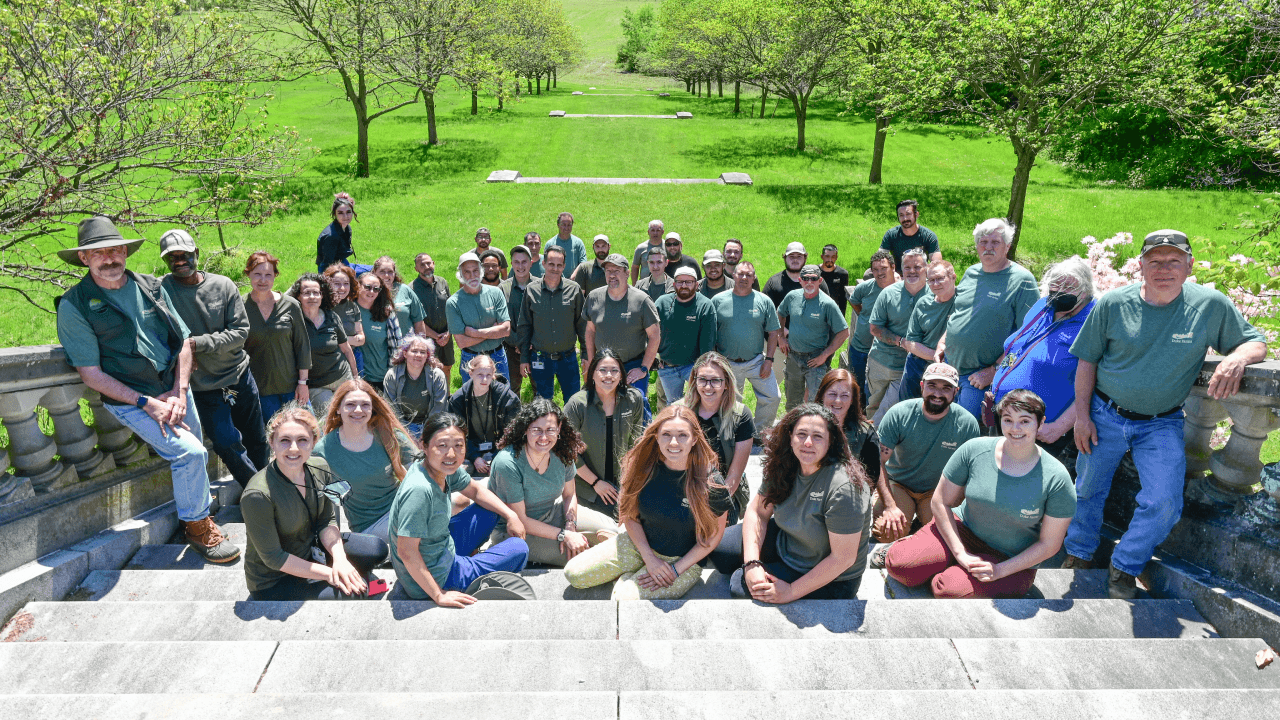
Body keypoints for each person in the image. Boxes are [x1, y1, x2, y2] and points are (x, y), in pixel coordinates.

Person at [1065, 229, 1267, 598]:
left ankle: (1124, 565)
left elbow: (1255, 342)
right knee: (1088, 489)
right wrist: (1082, 415)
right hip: (1105, 413)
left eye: (1174, 260)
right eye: (1154, 260)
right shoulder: (1113, 303)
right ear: (1141, 265)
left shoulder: (1209, 305)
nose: (1164, 268)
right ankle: (1079, 554)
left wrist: (1236, 357)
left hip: (1162, 422)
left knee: (1165, 502)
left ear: (1189, 266)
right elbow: (1086, 361)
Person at [55, 216, 238, 563]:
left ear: (125, 251)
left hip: (174, 390)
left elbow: (183, 341)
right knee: (189, 454)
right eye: (98, 253)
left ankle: (197, 514)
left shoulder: (150, 286)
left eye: (115, 250)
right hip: (132, 398)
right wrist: (147, 402)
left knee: (197, 450)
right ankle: (199, 529)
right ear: (84, 258)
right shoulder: (75, 305)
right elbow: (91, 374)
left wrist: (179, 392)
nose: (109, 258)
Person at [885, 390, 1076, 599]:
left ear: (1040, 423)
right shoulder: (975, 450)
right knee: (900, 565)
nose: (1015, 428)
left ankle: (945, 568)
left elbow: (1050, 544)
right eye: (1008, 420)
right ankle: (940, 558)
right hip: (963, 530)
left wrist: (1000, 571)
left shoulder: (1056, 478)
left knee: (948, 590)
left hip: (1008, 556)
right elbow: (940, 501)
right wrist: (960, 553)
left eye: (1025, 421)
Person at [565, 404, 731, 599]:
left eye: (682, 435)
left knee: (624, 598)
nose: (674, 442)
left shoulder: (711, 482)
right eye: (667, 434)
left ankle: (628, 575)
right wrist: (649, 559)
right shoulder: (643, 468)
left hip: (683, 562)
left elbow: (712, 537)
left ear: (694, 439)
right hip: (639, 544)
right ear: (656, 436)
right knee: (574, 574)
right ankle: (633, 566)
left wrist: (676, 570)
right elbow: (631, 517)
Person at [709, 404, 872, 601]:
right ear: (790, 436)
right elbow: (758, 512)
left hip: (834, 577)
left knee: (738, 585)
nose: (808, 443)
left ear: (831, 441)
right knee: (719, 550)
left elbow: (843, 558)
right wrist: (752, 563)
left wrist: (791, 591)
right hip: (789, 540)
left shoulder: (844, 488)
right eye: (801, 434)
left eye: (818, 436)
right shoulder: (786, 464)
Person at [159, 228, 269, 489]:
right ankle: (258, 491)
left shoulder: (223, 285)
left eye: (184, 254)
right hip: (203, 386)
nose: (179, 261)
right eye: (172, 257)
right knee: (224, 441)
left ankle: (270, 485)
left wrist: (196, 344)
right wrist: (182, 353)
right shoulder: (161, 290)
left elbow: (240, 332)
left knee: (257, 438)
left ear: (196, 253)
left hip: (237, 375)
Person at [242, 407, 389, 600]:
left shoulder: (319, 466)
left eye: (302, 440)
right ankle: (340, 579)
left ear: (313, 442)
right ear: (272, 443)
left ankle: (342, 573)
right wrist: (331, 574)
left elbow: (326, 519)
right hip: (276, 579)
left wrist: (340, 559)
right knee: (361, 592)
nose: (294, 448)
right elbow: (274, 558)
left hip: (312, 548)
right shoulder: (257, 495)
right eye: (285, 440)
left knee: (377, 549)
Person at [388, 413, 530, 606]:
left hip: (441, 546)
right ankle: (468, 570)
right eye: (442, 446)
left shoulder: (440, 468)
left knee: (491, 509)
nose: (451, 454)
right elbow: (406, 551)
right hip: (436, 576)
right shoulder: (420, 490)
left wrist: (511, 514)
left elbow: (476, 490)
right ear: (424, 445)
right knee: (519, 548)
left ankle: (470, 556)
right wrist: (438, 595)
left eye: (458, 445)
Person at [989, 256, 1096, 469]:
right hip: (1005, 414)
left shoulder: (1094, 322)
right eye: (1053, 290)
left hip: (1041, 429)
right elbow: (1020, 347)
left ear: (1085, 291)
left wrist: (1059, 427)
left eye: (1066, 291)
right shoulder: (1044, 306)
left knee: (1024, 486)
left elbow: (1097, 387)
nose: (1057, 297)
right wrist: (997, 377)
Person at [871, 363, 981, 566]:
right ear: (922, 386)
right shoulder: (899, 414)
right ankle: (906, 526)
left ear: (956, 392)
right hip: (899, 483)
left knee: (943, 539)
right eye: (932, 385)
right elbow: (876, 462)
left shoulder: (967, 424)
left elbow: (971, 473)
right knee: (889, 531)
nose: (937, 393)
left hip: (938, 490)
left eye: (946, 388)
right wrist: (889, 505)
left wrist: (956, 509)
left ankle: (918, 528)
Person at [488, 398, 618, 566]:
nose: (543, 437)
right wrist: (565, 535)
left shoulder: (562, 452)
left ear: (559, 429)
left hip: (552, 513)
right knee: (582, 557)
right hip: (516, 531)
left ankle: (605, 546)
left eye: (550, 430)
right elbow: (521, 519)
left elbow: (570, 494)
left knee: (613, 530)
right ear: (526, 429)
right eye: (537, 430)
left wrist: (571, 524)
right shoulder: (508, 463)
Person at [935, 218, 1040, 421]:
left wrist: (995, 371)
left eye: (995, 242)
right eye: (983, 242)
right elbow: (960, 314)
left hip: (979, 378)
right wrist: (943, 341)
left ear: (1007, 247)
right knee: (939, 424)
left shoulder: (1022, 281)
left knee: (962, 431)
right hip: (949, 368)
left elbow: (1029, 339)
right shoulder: (971, 272)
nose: (988, 247)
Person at [314, 379, 417, 544]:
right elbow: (328, 502)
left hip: (402, 508)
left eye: (365, 404)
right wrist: (338, 546)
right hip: (370, 527)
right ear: (338, 409)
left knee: (457, 502)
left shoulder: (387, 435)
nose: (358, 410)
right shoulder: (324, 450)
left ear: (373, 408)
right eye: (350, 404)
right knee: (423, 520)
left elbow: (421, 474)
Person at [564, 349, 646, 513]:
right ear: (592, 374)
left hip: (623, 481)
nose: (609, 375)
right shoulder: (577, 404)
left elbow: (636, 443)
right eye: (602, 370)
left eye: (614, 370)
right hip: (587, 486)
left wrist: (627, 482)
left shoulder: (634, 399)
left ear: (621, 375)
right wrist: (596, 483)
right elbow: (567, 451)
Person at [675, 353, 753, 523]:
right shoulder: (678, 412)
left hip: (724, 492)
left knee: (720, 544)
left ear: (726, 384)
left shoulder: (740, 415)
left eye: (716, 380)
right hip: (683, 490)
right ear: (694, 381)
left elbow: (734, 475)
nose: (708, 387)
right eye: (702, 379)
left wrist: (714, 506)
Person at [712, 261, 782, 439]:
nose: (744, 278)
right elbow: (710, 333)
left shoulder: (764, 301)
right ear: (733, 275)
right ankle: (733, 436)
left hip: (756, 361)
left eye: (748, 275)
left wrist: (769, 360)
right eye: (740, 274)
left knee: (773, 396)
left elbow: (773, 333)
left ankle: (760, 434)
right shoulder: (718, 300)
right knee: (731, 404)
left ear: (754, 278)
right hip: (727, 363)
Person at [582, 253, 660, 412]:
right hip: (604, 366)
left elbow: (655, 335)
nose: (611, 275)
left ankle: (643, 436)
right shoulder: (594, 297)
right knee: (602, 407)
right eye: (608, 270)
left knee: (638, 405)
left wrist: (644, 368)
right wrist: (591, 362)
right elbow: (590, 331)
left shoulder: (641, 300)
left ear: (627, 273)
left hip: (632, 366)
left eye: (616, 271)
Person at [243, 251, 311, 421]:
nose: (263, 280)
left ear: (275, 276)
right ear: (248, 274)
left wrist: (303, 383)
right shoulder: (239, 306)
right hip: (260, 390)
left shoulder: (291, 305)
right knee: (273, 437)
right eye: (257, 274)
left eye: (268, 275)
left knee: (306, 432)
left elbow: (302, 346)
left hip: (292, 387)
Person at [866, 247, 929, 423]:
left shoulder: (935, 296)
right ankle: (870, 442)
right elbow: (875, 328)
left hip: (907, 368)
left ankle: (875, 442)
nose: (912, 271)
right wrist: (901, 342)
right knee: (873, 405)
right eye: (907, 268)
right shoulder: (888, 293)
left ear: (927, 267)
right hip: (879, 361)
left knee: (890, 410)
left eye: (917, 267)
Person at [517, 245, 587, 401]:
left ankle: (568, 426)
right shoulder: (531, 290)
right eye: (551, 264)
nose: (555, 268)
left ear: (564, 266)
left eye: (559, 265)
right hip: (540, 358)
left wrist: (586, 355)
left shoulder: (574, 290)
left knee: (573, 401)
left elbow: (582, 326)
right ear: (543, 264)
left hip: (568, 359)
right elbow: (524, 326)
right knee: (543, 404)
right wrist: (524, 359)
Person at [764, 242, 833, 394]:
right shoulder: (774, 283)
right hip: (779, 346)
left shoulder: (819, 283)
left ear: (805, 258)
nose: (795, 259)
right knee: (772, 388)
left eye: (799, 256)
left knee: (812, 391)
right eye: (791, 256)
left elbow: (827, 314)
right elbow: (767, 314)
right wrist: (783, 336)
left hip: (811, 348)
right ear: (785, 258)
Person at [778, 265, 849, 410]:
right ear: (800, 280)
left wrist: (824, 355)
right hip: (793, 356)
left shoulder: (827, 303)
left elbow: (844, 332)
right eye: (805, 278)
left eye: (813, 278)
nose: (809, 282)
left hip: (815, 360)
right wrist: (780, 337)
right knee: (792, 402)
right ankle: (793, 430)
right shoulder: (792, 297)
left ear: (820, 280)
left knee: (815, 403)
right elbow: (780, 313)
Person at [288, 273, 359, 416]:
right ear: (298, 297)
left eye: (316, 292)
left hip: (342, 376)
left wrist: (356, 378)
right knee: (330, 418)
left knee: (353, 413)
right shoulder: (294, 320)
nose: (312, 297)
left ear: (322, 295)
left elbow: (346, 349)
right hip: (317, 384)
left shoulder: (331, 316)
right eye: (307, 293)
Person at [446, 353, 521, 477]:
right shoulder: (458, 400)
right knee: (459, 473)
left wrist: (497, 458)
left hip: (500, 448)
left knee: (504, 470)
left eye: (488, 375)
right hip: (470, 450)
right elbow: (456, 433)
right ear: (471, 374)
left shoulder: (508, 398)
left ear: (494, 374)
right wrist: (474, 457)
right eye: (480, 375)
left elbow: (512, 433)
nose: (484, 380)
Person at [447, 251, 512, 383]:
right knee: (474, 400)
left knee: (503, 399)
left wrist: (475, 333)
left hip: (498, 356)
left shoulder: (496, 293)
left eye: (475, 270)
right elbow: (462, 342)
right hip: (471, 358)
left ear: (481, 271)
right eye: (467, 272)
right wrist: (494, 331)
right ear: (460, 275)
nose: (472, 276)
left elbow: (505, 330)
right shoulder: (453, 303)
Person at [655, 267, 718, 403]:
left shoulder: (705, 306)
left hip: (693, 366)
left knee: (699, 402)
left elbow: (708, 343)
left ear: (696, 284)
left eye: (688, 282)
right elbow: (651, 332)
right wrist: (654, 357)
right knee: (672, 405)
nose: (684, 285)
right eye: (680, 282)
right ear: (673, 284)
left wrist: (702, 370)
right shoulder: (662, 303)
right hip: (667, 367)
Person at [843, 249, 895, 405]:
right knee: (856, 390)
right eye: (876, 269)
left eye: (883, 268)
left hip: (885, 353)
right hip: (860, 349)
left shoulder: (902, 289)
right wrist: (863, 316)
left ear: (892, 267)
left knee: (875, 393)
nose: (880, 273)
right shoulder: (865, 288)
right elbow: (853, 300)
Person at [900, 259, 956, 402]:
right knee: (909, 406)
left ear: (953, 277)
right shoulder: (923, 303)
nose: (935, 284)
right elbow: (911, 343)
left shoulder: (964, 301)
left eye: (940, 279)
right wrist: (937, 358)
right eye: (931, 280)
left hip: (952, 365)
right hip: (920, 362)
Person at [816, 369, 880, 489]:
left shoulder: (866, 433)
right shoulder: (803, 426)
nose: (838, 401)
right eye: (832, 394)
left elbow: (871, 478)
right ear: (822, 395)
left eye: (845, 395)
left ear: (852, 400)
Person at [384, 334, 449, 437]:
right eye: (414, 351)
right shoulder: (392, 376)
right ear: (405, 354)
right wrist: (407, 434)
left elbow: (439, 408)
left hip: (432, 424)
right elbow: (391, 408)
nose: (418, 355)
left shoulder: (437, 376)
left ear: (427, 355)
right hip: (402, 425)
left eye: (422, 352)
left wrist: (426, 433)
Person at [410, 253, 454, 385]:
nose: (426, 267)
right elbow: (415, 319)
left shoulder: (442, 282)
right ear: (416, 269)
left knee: (447, 367)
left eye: (429, 263)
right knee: (429, 369)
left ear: (433, 263)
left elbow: (451, 309)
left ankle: (446, 398)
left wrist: (449, 333)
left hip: (446, 336)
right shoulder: (412, 289)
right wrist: (436, 336)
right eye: (422, 265)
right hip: (426, 338)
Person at [353, 271, 400, 393]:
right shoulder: (348, 310)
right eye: (367, 287)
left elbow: (397, 345)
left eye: (376, 289)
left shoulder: (387, 313)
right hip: (355, 378)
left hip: (381, 377)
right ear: (358, 286)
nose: (372, 292)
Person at [324, 264, 368, 379]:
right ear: (328, 284)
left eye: (346, 284)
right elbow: (325, 339)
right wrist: (351, 339)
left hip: (354, 355)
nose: (342, 288)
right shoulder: (323, 307)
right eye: (337, 284)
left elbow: (361, 338)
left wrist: (344, 340)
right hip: (332, 358)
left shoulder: (352, 306)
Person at [501, 245, 534, 395]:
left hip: (536, 348)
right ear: (512, 263)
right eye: (516, 262)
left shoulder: (540, 285)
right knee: (511, 389)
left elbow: (544, 318)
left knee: (540, 389)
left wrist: (528, 343)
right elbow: (500, 320)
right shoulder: (502, 288)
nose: (520, 266)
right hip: (511, 348)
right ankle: (514, 418)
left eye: (524, 262)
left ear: (531, 262)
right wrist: (519, 343)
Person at [880, 199, 942, 275]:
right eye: (901, 215)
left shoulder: (928, 236)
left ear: (916, 215)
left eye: (908, 214)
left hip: (920, 276)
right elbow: (880, 258)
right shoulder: (891, 235)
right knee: (869, 273)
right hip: (896, 277)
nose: (905, 219)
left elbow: (937, 264)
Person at [373, 256, 428, 338]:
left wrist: (421, 345)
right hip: (378, 348)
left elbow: (419, 322)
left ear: (395, 273)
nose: (386, 275)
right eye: (382, 271)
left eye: (390, 272)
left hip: (405, 346)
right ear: (374, 272)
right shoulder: (368, 292)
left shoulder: (405, 290)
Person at [315, 192, 370, 274]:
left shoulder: (346, 228)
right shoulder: (331, 236)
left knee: (378, 270)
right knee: (376, 274)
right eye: (340, 213)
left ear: (352, 212)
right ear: (334, 214)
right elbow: (325, 267)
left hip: (342, 263)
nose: (345, 216)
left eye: (348, 212)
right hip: (334, 271)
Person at [819, 244, 850, 319]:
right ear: (822, 256)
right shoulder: (815, 273)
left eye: (833, 257)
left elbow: (843, 300)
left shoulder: (843, 274)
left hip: (834, 313)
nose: (830, 260)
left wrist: (841, 319)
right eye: (827, 256)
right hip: (817, 312)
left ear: (836, 257)